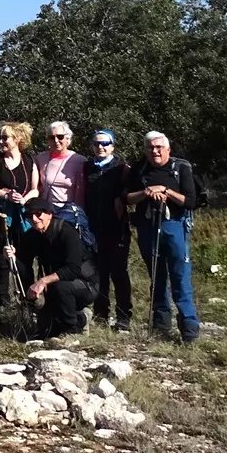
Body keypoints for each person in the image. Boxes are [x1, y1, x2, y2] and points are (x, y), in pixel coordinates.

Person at [125, 131, 200, 343]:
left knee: (180, 276)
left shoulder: (181, 168)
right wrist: (147, 192)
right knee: (156, 276)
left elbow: (190, 201)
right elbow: (127, 197)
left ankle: (189, 327)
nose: (154, 151)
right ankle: (161, 325)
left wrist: (166, 191)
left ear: (168, 149)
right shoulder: (139, 169)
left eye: (159, 147)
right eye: (150, 147)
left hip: (175, 225)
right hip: (148, 227)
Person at [11, 198, 98, 338]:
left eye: (38, 214)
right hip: (56, 287)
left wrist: (42, 281)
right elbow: (22, 261)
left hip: (86, 284)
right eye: (29, 215)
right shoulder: (32, 235)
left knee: (60, 287)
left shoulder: (67, 233)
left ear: (49, 214)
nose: (34, 219)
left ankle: (72, 331)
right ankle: (81, 318)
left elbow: (73, 270)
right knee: (47, 331)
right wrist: (12, 255)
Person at [0, 122, 39, 306]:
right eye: (0, 137)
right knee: (1, 257)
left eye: (5, 137)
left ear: (18, 139)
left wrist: (24, 199)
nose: (1, 141)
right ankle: (2, 302)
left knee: (24, 256)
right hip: (1, 216)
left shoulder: (30, 161)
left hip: (24, 216)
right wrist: (6, 194)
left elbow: (35, 189)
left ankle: (27, 299)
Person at [85, 129, 132, 331]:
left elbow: (129, 194)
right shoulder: (87, 168)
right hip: (93, 228)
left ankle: (123, 317)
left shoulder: (122, 169)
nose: (100, 147)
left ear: (113, 146)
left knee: (119, 272)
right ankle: (101, 313)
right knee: (98, 273)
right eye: (96, 144)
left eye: (105, 143)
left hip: (117, 228)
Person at [37, 121, 88, 209]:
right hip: (44, 210)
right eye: (52, 137)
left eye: (60, 137)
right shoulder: (40, 159)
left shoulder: (79, 161)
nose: (56, 141)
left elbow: (81, 193)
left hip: (67, 211)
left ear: (67, 138)